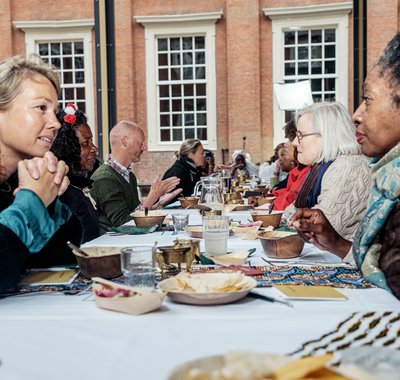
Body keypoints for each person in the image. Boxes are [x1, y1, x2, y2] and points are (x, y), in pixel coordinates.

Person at [289, 32, 400, 298]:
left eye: (368, 99)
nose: (356, 115)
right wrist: (338, 245)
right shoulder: (388, 175)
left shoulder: (353, 169)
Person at [0, 54, 82, 290]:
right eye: (41, 108)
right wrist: (33, 200)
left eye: (54, 111)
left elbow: (63, 256)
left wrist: (51, 196)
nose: (56, 123)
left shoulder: (16, 179)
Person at [288, 101, 371, 240]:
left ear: (327, 136)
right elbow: (292, 211)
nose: (295, 142)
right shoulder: (322, 167)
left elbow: (319, 232)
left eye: (301, 135)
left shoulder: (348, 167)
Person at [90, 120, 182, 233]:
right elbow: (123, 224)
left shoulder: (128, 175)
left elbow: (134, 212)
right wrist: (152, 197)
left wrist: (157, 204)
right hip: (113, 246)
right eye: (140, 143)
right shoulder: (105, 178)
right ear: (124, 142)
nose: (144, 147)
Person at [51, 103, 100, 243]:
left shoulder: (77, 186)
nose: (94, 148)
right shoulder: (63, 194)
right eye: (86, 143)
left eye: (92, 141)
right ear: (68, 147)